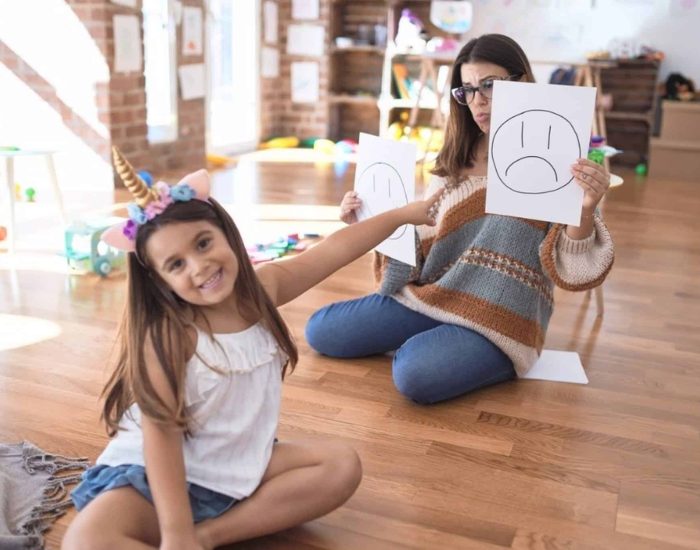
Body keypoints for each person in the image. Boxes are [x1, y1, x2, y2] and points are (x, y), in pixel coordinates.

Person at [62, 148, 442, 550]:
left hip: (236, 463)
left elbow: (335, 249)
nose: (199, 266)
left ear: (226, 232)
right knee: (85, 540)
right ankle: (182, 534)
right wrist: (175, 531)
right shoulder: (168, 336)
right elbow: (161, 440)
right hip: (156, 475)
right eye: (176, 264)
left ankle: (208, 536)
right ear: (160, 281)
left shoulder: (264, 290)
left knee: (341, 465)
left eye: (204, 243)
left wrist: (402, 215)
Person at [305, 34, 615, 405]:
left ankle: (462, 348)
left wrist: (583, 209)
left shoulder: (557, 156)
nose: (478, 101)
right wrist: (368, 221)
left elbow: (573, 269)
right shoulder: (453, 160)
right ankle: (442, 338)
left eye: (490, 86)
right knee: (320, 331)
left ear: (522, 81)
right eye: (467, 90)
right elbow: (422, 246)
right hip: (435, 295)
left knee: (414, 375)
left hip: (501, 318)